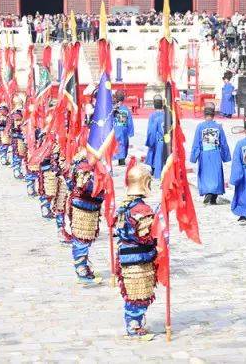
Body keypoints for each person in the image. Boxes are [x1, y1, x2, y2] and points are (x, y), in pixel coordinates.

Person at [114, 160, 158, 340]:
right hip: (138, 258)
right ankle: (133, 325)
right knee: (138, 294)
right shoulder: (142, 209)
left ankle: (134, 323)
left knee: (133, 293)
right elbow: (145, 236)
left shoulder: (124, 206)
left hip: (126, 255)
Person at [67, 150, 105, 284]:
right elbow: (86, 187)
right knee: (81, 239)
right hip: (83, 207)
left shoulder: (81, 163)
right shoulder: (85, 167)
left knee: (84, 238)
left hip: (85, 206)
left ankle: (83, 266)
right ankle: (81, 270)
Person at [190, 103, 231, 205]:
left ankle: (207, 192)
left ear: (204, 115)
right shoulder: (218, 127)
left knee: (205, 174)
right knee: (216, 174)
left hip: (204, 154)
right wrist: (225, 157)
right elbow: (223, 143)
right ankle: (213, 197)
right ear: (213, 115)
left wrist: (193, 157)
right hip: (215, 153)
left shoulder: (200, 127)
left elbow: (196, 143)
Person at [144, 94, 164, 179]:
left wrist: (149, 141)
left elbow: (150, 131)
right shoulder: (166, 116)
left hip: (155, 139)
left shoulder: (152, 116)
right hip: (164, 139)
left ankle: (155, 170)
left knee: (154, 154)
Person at [112, 91, 134, 166]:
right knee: (123, 144)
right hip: (123, 129)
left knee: (116, 144)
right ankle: (122, 159)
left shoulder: (113, 108)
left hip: (115, 128)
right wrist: (130, 132)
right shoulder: (125, 109)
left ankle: (115, 157)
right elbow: (129, 121)